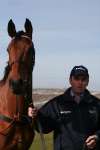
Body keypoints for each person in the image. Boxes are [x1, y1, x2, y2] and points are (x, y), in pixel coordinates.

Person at [28, 65, 100, 150]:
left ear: (87, 82)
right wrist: (34, 115)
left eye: (83, 79)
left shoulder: (96, 104)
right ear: (70, 80)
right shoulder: (56, 103)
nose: (80, 82)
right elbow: (43, 127)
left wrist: (97, 137)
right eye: (76, 78)